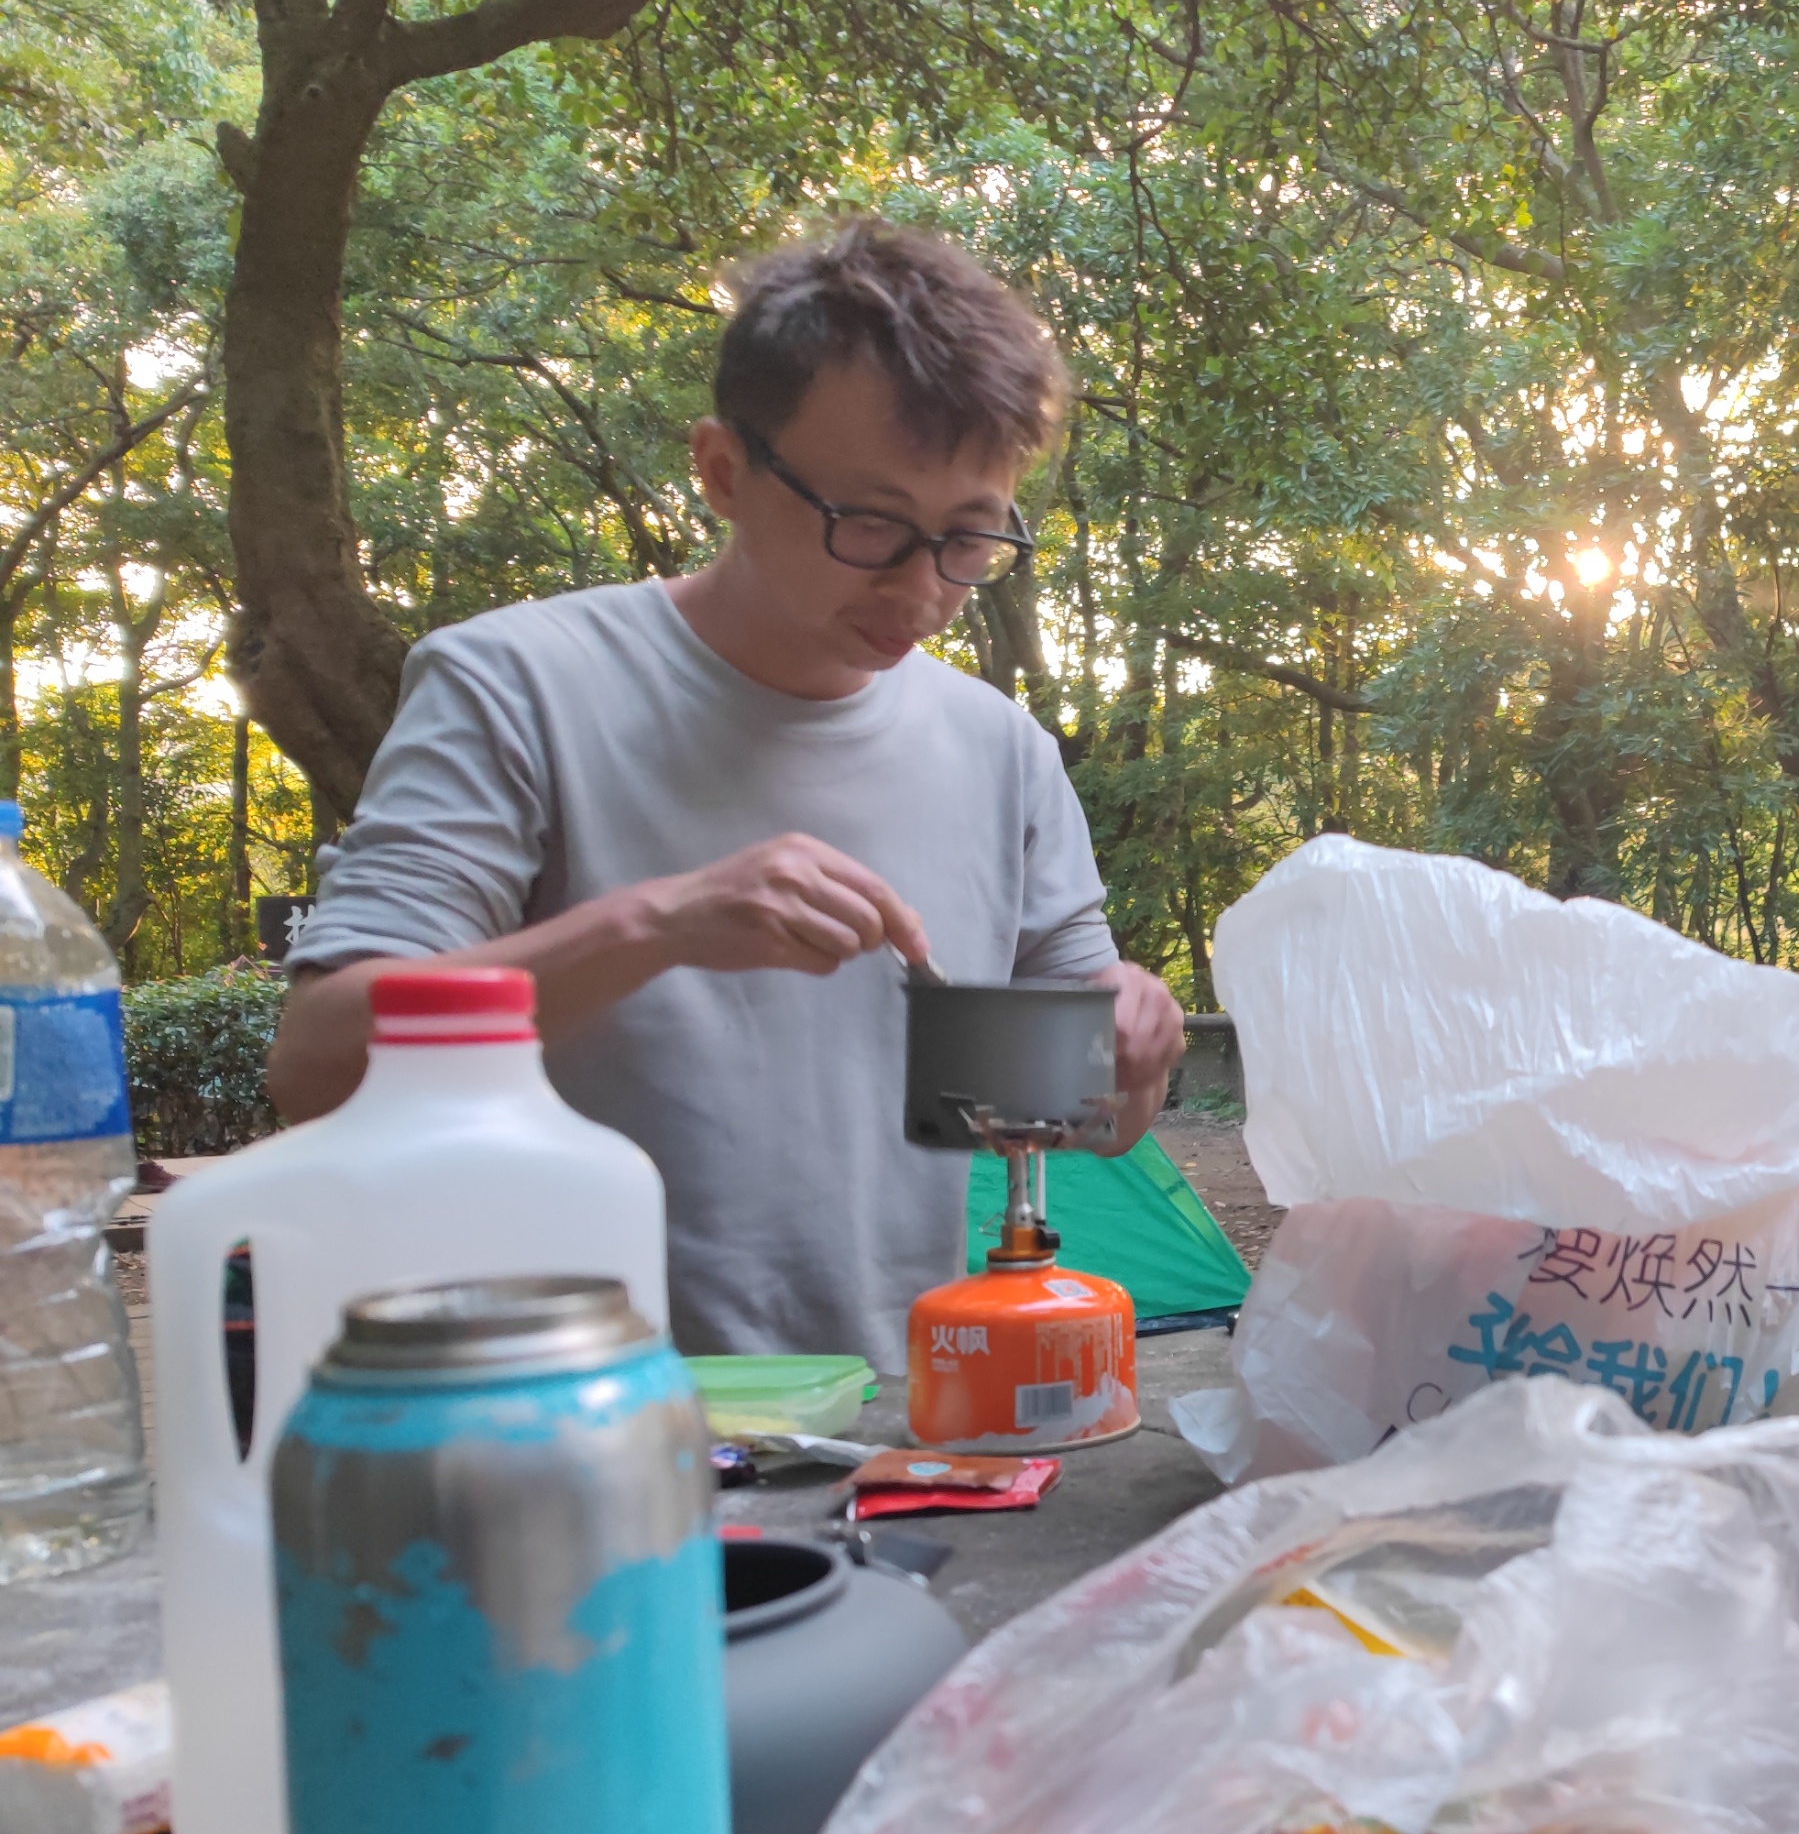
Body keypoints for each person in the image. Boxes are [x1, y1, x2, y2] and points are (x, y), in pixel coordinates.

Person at [270, 219, 1187, 1372]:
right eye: (870, 523)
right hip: (557, 1413)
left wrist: (1133, 1044)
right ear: (722, 470)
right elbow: (319, 1064)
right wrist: (660, 922)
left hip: (879, 1419)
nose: (922, 587)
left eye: (968, 537)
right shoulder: (514, 684)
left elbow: (1092, 1125)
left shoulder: (998, 749)